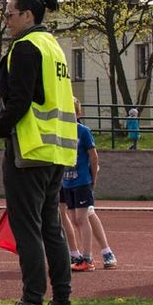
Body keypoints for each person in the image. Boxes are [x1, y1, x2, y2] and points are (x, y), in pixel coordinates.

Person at [0, 0, 76, 305]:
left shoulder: (26, 47)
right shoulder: (53, 46)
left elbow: (19, 103)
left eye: (10, 14)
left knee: (27, 229)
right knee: (51, 228)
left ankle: (31, 300)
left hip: (29, 150)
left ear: (28, 15)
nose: (7, 20)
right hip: (57, 151)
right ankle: (62, 300)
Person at [63, 98, 116, 272]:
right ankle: (82, 255)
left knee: (82, 217)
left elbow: (94, 157)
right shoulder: (60, 131)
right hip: (67, 180)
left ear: (78, 113)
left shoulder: (83, 132)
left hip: (82, 180)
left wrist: (93, 179)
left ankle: (88, 257)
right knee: (74, 218)